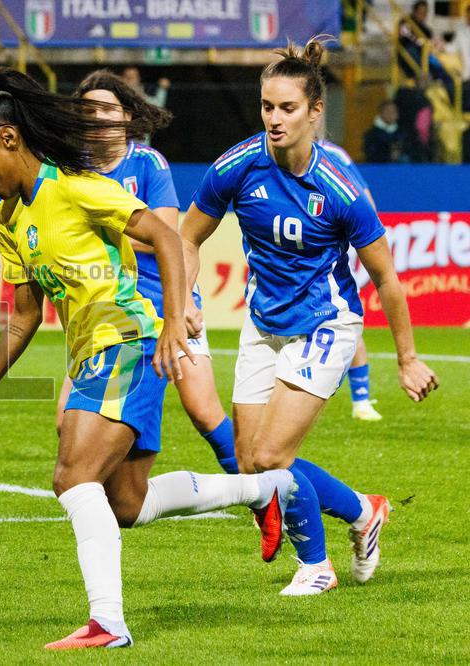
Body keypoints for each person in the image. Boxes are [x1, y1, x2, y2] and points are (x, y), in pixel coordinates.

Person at [0, 69, 296, 650]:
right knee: (127, 504)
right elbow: (24, 316)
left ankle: (107, 623)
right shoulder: (8, 220)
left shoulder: (76, 186)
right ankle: (262, 490)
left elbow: (167, 235)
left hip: (127, 340)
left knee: (71, 477)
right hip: (91, 354)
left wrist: (172, 322)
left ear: (10, 138)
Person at [181, 38, 439, 596]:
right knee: (250, 465)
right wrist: (183, 299)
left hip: (325, 324)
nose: (275, 120)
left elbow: (387, 279)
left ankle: (316, 567)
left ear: (314, 112)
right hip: (263, 322)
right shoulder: (236, 166)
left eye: (288, 108)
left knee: (273, 456)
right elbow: (186, 235)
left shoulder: (341, 190)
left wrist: (408, 358)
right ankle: (364, 511)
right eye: (268, 107)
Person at [47, 69, 237, 475]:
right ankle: (114, 500)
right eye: (88, 110)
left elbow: (165, 237)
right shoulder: (70, 171)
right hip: (108, 309)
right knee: (66, 419)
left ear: (127, 117)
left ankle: (262, 494)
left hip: (161, 295)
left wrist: (183, 301)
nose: (97, 118)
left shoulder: (148, 164)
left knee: (203, 412)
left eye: (106, 109)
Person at [316, 134, 387, 421]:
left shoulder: (334, 155)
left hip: (331, 258)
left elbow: (364, 202)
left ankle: (360, 400)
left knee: (346, 320)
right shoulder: (270, 154)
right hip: (294, 264)